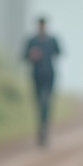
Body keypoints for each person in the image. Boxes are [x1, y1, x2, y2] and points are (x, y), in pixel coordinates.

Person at [23, 16, 61, 147]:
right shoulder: (32, 41)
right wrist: (31, 54)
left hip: (49, 75)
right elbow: (23, 56)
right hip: (36, 76)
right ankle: (41, 127)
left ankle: (44, 129)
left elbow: (59, 52)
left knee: (46, 102)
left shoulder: (52, 40)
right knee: (39, 102)